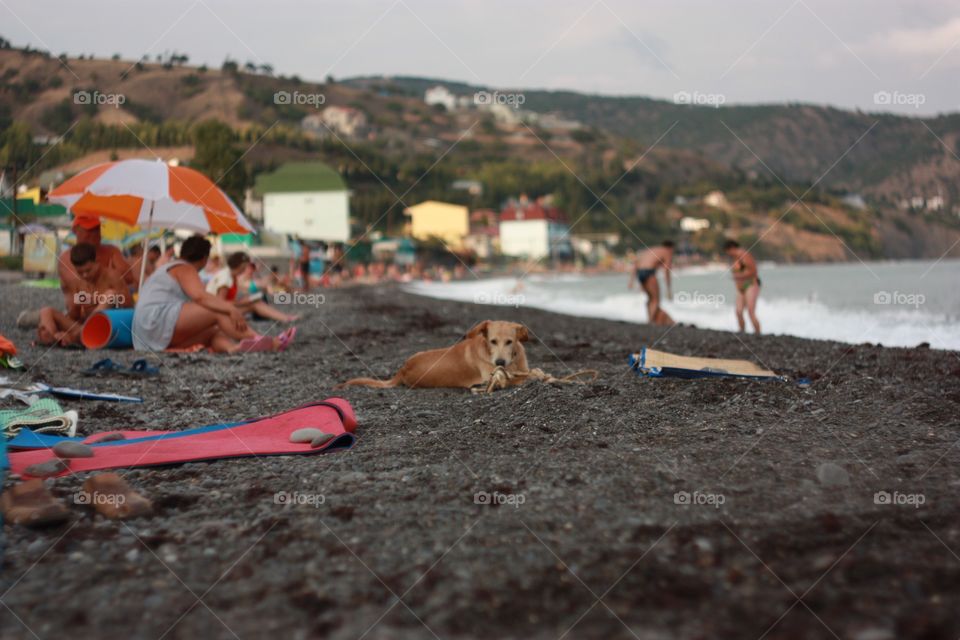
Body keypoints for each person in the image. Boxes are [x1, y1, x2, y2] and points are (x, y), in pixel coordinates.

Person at [132, 235, 294, 353]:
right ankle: (262, 340)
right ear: (204, 259)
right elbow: (200, 297)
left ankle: (233, 349)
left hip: (146, 333)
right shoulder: (184, 268)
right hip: (155, 321)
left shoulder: (170, 267)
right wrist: (229, 309)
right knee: (217, 311)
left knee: (213, 332)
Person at [39, 243, 131, 347]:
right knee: (46, 311)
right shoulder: (78, 283)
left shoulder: (112, 276)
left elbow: (128, 306)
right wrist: (72, 307)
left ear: (97, 262)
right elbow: (75, 316)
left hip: (110, 327)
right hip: (84, 329)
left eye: (88, 270)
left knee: (111, 295)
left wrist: (99, 299)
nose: (85, 275)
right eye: (80, 272)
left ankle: (72, 338)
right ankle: (53, 339)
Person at [206, 252, 299, 324]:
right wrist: (241, 302)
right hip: (216, 312)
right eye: (246, 266)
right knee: (255, 304)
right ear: (240, 265)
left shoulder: (229, 274)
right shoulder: (225, 278)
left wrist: (243, 300)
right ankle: (286, 318)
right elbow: (220, 303)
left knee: (256, 302)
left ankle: (285, 318)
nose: (247, 269)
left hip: (221, 309)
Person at [629, 240, 675, 326]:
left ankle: (651, 320)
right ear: (671, 248)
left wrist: (631, 281)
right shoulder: (667, 252)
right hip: (649, 272)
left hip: (640, 273)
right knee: (656, 299)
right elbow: (667, 270)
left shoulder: (652, 249)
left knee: (650, 298)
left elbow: (636, 263)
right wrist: (669, 289)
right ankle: (651, 321)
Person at [724, 239, 761, 334]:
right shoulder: (735, 258)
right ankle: (742, 332)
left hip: (751, 285)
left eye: (727, 251)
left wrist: (739, 276)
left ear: (731, 248)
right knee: (739, 311)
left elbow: (754, 271)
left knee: (750, 311)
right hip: (741, 288)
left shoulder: (744, 255)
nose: (728, 254)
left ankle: (758, 333)